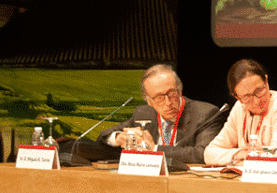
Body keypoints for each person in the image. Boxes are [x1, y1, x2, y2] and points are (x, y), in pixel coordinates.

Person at [95, 64, 224, 165]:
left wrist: (155, 149)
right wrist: (118, 138)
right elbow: (103, 136)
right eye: (159, 97)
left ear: (180, 90)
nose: (168, 102)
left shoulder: (205, 113)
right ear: (149, 101)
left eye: (172, 93)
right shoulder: (143, 113)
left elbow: (203, 154)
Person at [204, 59, 277, 174]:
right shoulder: (239, 108)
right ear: (237, 97)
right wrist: (240, 154)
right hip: (250, 181)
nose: (256, 101)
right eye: (247, 97)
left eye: (259, 91)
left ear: (266, 81)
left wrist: (237, 161)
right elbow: (209, 153)